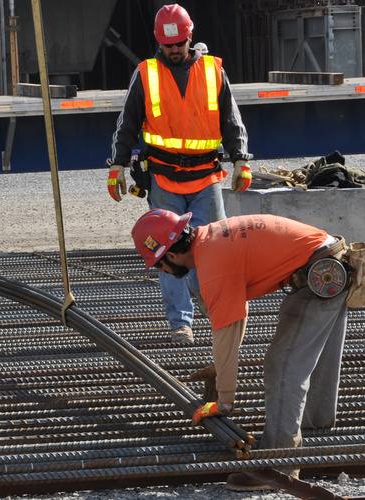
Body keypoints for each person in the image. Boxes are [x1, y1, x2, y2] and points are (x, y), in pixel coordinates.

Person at [131, 209, 351, 491]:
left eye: (158, 265)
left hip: (321, 275)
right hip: (330, 264)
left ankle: (281, 463)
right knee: (312, 356)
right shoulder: (211, 240)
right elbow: (236, 317)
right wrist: (220, 368)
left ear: (171, 256)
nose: (161, 271)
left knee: (282, 365)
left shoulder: (212, 266)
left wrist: (224, 401)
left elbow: (225, 331)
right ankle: (317, 432)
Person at [106, 4, 252, 344]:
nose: (174, 50)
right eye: (168, 45)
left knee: (213, 249)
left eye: (180, 44)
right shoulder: (147, 73)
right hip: (163, 178)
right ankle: (180, 323)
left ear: (190, 38)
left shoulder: (213, 71)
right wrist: (117, 165)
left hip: (206, 178)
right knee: (167, 254)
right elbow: (127, 123)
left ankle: (215, 308)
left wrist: (241, 160)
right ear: (160, 42)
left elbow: (232, 121)